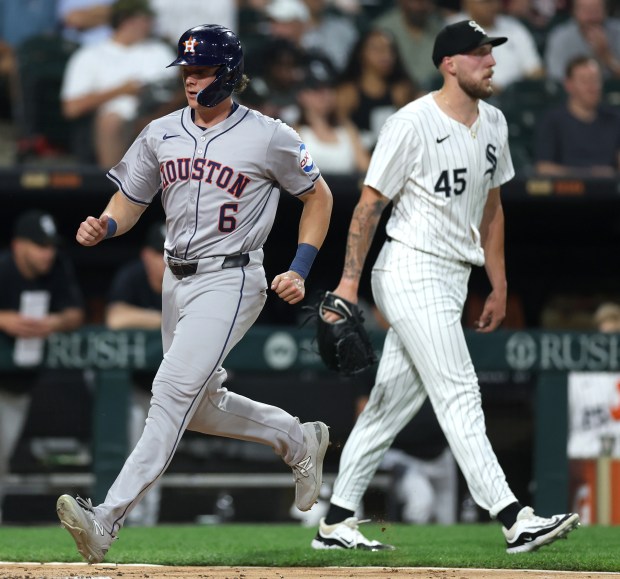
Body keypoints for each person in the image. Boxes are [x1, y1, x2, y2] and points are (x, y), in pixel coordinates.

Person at [55, 24, 332, 563]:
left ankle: (105, 519)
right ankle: (298, 440)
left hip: (232, 277)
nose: (190, 79)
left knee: (169, 393)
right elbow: (130, 200)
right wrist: (105, 226)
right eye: (186, 69)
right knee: (201, 407)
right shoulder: (161, 131)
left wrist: (300, 267)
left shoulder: (269, 134)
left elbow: (317, 197)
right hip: (174, 279)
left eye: (201, 70)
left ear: (228, 74)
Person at [311, 19, 580, 554]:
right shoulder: (410, 123)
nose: (491, 62)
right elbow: (369, 204)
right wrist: (346, 282)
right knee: (459, 390)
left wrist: (498, 285)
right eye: (480, 54)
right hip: (409, 267)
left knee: (388, 405)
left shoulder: (497, 123)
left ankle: (336, 520)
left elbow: (494, 209)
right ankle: (512, 516)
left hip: (454, 275)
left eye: (491, 53)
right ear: (449, 63)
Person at [0, 209, 85, 523]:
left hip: (20, 386)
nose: (47, 253)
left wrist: (54, 321)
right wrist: (3, 319)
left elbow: (76, 313)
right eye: (40, 245)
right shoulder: (4, 268)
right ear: (19, 245)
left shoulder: (57, 269)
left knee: (2, 460)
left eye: (50, 245)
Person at [60, 0, 182, 167]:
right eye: (145, 19)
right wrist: (122, 90)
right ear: (127, 21)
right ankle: (113, 187)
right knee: (112, 121)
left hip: (158, 113)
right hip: (115, 121)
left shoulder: (160, 51)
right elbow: (71, 108)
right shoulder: (90, 55)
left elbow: (176, 90)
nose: (151, 24)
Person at [104, 221, 166, 526]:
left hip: (170, 390)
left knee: (157, 455)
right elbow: (115, 318)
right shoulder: (132, 278)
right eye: (159, 253)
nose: (164, 261)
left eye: (169, 253)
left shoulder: (189, 281)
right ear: (146, 255)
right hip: (133, 386)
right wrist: (165, 318)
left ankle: (147, 522)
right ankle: (129, 519)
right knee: (134, 449)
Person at [534, 56, 620, 177]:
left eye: (595, 80)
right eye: (585, 81)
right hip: (566, 192)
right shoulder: (553, 120)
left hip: (610, 194)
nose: (592, 87)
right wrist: (589, 175)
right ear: (569, 85)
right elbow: (543, 168)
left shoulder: (614, 119)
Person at [336, 28, 418, 152]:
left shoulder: (401, 91)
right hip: (358, 159)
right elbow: (339, 134)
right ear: (361, 53)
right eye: (377, 49)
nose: (386, 54)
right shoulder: (348, 93)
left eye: (390, 49)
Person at [446, 0, 545, 92]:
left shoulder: (513, 26)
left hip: (519, 96)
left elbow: (535, 69)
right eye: (485, 1)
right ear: (467, 3)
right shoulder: (453, 29)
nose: (492, 6)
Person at [295, 58, 370, 176]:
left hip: (347, 193)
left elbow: (366, 171)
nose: (325, 94)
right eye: (316, 89)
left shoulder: (348, 130)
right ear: (301, 95)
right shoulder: (294, 133)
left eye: (328, 87)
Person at [373, 0, 445, 92]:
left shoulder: (440, 30)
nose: (420, 6)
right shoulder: (382, 29)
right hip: (393, 94)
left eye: (425, 1)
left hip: (433, 93)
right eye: (415, 1)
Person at [544, 0, 620, 82]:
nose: (592, 17)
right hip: (574, 93)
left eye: (596, 10)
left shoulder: (617, 32)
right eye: (586, 10)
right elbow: (556, 78)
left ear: (605, 11)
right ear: (574, 12)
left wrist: (606, 56)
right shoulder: (560, 38)